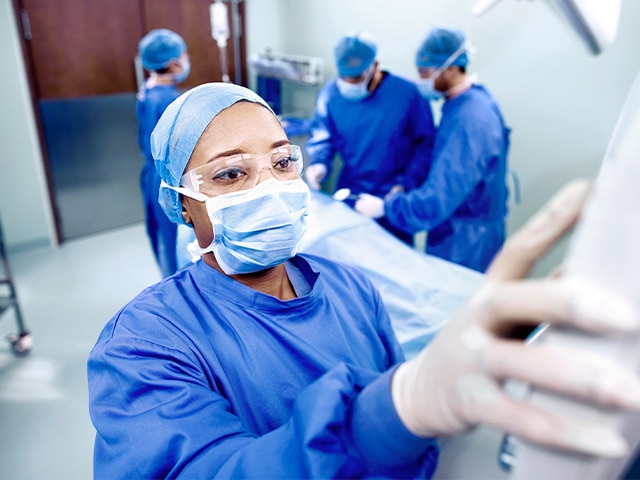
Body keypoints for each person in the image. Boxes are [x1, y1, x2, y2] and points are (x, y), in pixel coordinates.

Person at [88, 82, 640, 479]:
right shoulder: (144, 344)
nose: (270, 188)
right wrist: (394, 409)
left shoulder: (353, 290)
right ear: (183, 205)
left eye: (283, 163)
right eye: (231, 174)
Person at [355, 26, 510, 272]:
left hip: (466, 245)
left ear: (451, 68)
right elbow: (440, 162)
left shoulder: (469, 120)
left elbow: (437, 200)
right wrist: (405, 185)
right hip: (462, 233)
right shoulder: (465, 103)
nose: (421, 80)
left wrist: (386, 207)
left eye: (426, 72)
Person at [305, 32, 436, 244]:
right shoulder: (331, 93)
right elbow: (323, 136)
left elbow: (426, 146)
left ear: (375, 65)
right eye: (344, 77)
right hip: (350, 195)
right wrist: (319, 163)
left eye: (356, 77)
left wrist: (404, 184)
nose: (349, 83)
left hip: (390, 200)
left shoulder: (408, 94)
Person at [137, 28, 191, 277]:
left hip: (152, 174)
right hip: (168, 177)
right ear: (173, 63)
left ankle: (171, 279)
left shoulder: (147, 91)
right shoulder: (169, 99)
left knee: (162, 237)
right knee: (177, 239)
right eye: (184, 55)